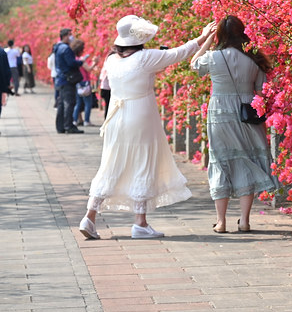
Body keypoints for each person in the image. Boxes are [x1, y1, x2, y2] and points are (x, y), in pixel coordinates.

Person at [77, 15, 202, 240]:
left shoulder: (111, 59)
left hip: (116, 116)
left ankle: (89, 216)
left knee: (110, 164)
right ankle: (140, 222)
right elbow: (179, 52)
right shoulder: (146, 57)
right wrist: (204, 37)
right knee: (143, 162)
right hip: (140, 115)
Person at [190, 15, 275, 233]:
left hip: (220, 113)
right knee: (246, 160)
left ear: (221, 34)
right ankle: (245, 221)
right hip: (248, 112)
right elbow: (262, 87)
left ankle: (221, 221)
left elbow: (194, 64)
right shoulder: (253, 58)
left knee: (221, 161)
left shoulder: (214, 57)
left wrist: (207, 39)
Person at [53, 27, 85, 134]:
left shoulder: (57, 47)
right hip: (67, 80)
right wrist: (81, 61)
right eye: (70, 35)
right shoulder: (66, 49)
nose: (72, 37)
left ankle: (60, 126)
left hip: (60, 79)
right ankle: (69, 126)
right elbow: (71, 63)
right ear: (65, 36)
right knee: (69, 103)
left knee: (62, 104)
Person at [71, 39, 95, 126]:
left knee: (78, 103)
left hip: (78, 83)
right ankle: (86, 121)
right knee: (88, 103)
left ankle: (74, 120)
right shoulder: (81, 60)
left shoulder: (74, 59)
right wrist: (95, 63)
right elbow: (88, 69)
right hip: (85, 82)